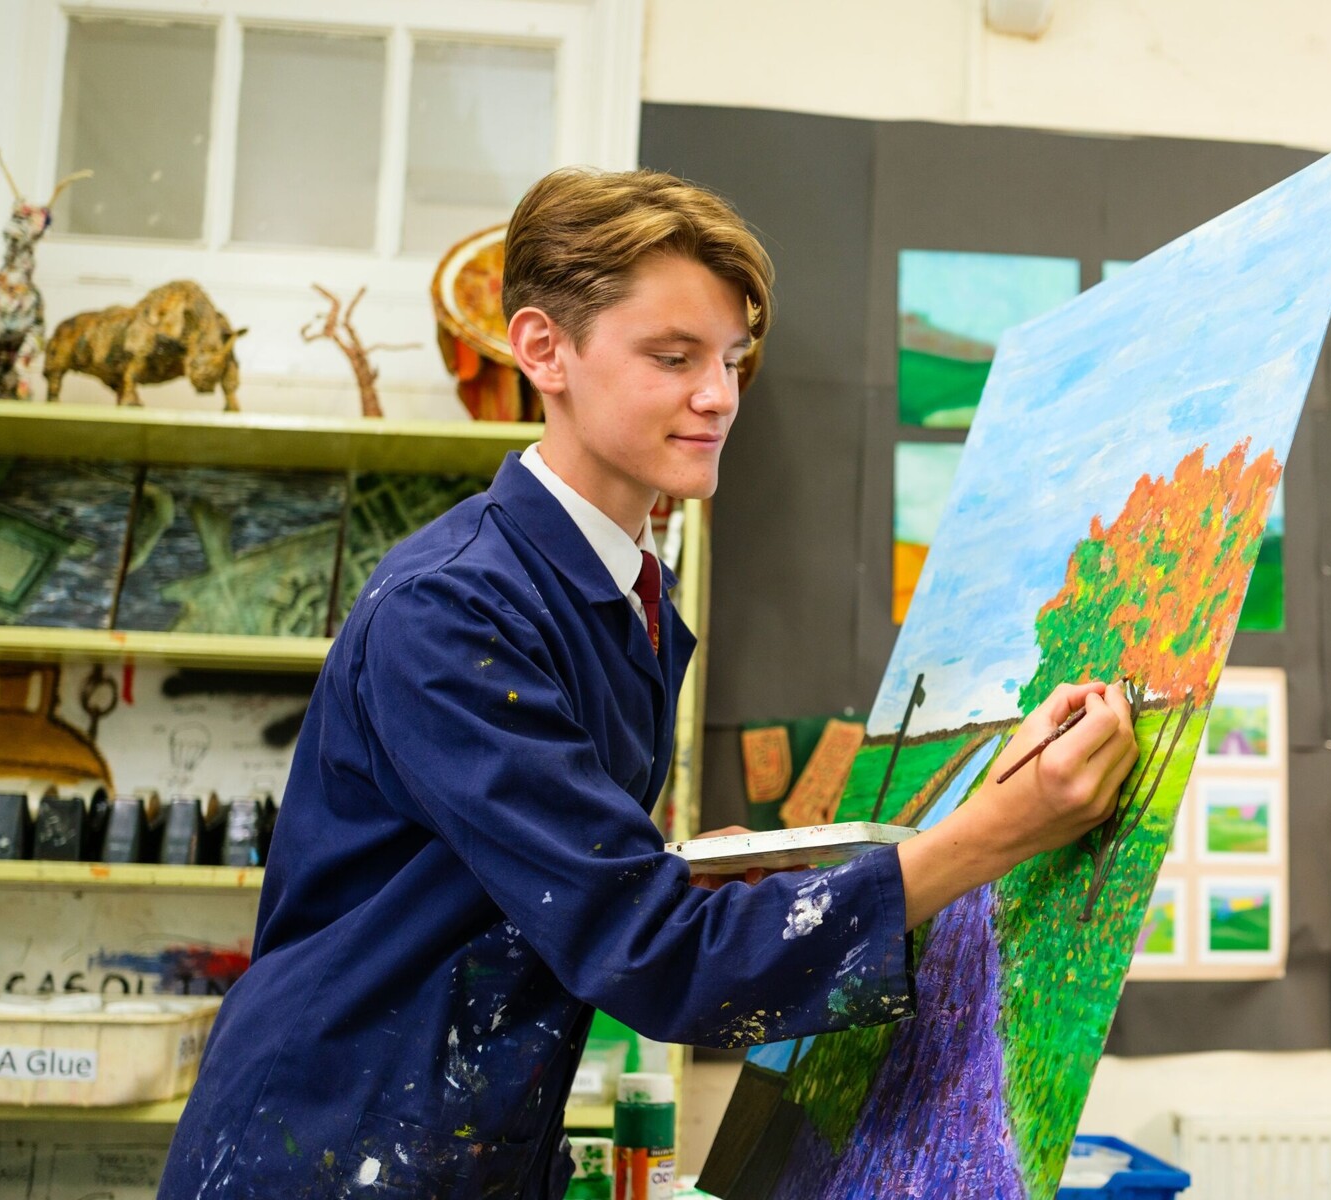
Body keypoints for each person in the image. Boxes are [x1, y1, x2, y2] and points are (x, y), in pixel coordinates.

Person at [156, 169, 1138, 1198]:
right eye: (672, 358)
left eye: (729, 359)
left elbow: (557, 883)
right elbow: (651, 953)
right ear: (544, 350)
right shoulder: (451, 611)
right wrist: (999, 831)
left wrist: (676, 871)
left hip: (458, 1144)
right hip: (323, 1151)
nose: (717, 394)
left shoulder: (622, 597)